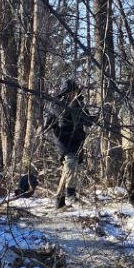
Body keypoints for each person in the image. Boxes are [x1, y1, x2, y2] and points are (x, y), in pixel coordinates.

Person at [44, 79, 97, 209]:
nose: (74, 94)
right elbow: (49, 121)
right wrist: (46, 127)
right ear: (66, 92)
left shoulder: (79, 104)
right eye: (71, 92)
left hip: (76, 140)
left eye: (75, 92)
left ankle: (59, 200)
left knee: (68, 169)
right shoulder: (56, 104)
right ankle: (70, 194)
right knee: (70, 163)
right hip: (62, 140)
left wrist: (95, 117)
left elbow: (87, 121)